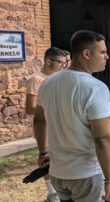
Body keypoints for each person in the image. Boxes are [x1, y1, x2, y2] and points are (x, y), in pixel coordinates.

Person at [34, 30, 110, 202]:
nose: (107, 57)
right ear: (86, 54)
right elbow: (102, 139)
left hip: (57, 173)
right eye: (102, 52)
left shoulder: (48, 82)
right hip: (86, 175)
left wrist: (43, 152)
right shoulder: (96, 88)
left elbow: (39, 120)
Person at [26, 47, 65, 202]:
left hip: (58, 125)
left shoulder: (56, 78)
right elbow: (30, 108)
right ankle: (52, 192)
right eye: (60, 62)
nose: (63, 66)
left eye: (65, 62)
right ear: (49, 61)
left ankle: (59, 187)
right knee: (46, 158)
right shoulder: (36, 79)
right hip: (45, 126)